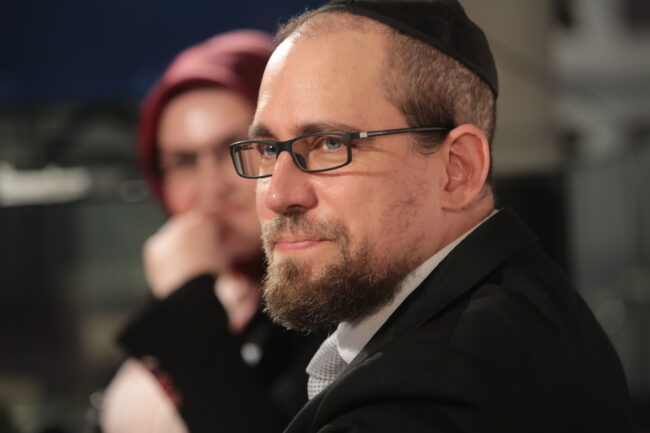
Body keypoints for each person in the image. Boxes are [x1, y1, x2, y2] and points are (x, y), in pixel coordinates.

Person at [228, 0, 632, 431]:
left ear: (458, 169)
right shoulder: (523, 312)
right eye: (268, 149)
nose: (278, 194)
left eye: (330, 144)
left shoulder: (429, 391)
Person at [100, 30, 320, 433]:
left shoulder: (329, 302)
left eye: (237, 148)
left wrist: (188, 298)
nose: (211, 188)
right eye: (184, 162)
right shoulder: (201, 283)